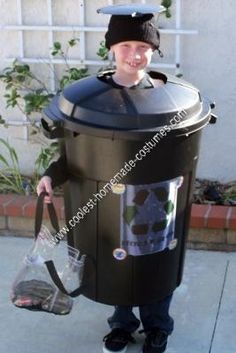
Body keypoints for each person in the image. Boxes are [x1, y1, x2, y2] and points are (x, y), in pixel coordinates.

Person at [37, 9, 174, 353]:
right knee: (118, 260)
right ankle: (122, 326)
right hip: (109, 204)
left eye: (143, 46)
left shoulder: (163, 97)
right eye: (125, 45)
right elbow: (74, 158)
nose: (134, 54)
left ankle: (157, 326)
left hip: (153, 197)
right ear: (111, 48)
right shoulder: (93, 102)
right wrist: (50, 177)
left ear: (153, 50)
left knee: (155, 259)